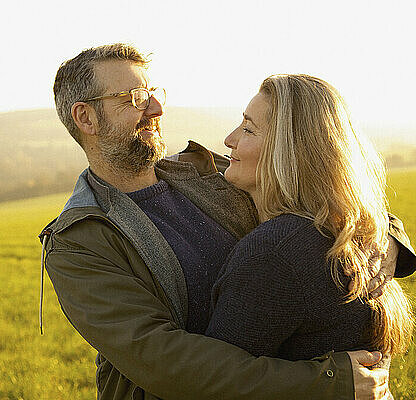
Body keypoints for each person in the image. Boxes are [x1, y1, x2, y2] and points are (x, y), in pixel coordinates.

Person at [38, 44, 416, 400]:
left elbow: (321, 189)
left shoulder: (212, 172)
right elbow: (165, 362)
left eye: (154, 93)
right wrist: (325, 382)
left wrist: (388, 238)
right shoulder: (79, 240)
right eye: (134, 99)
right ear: (85, 117)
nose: (156, 107)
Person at [205, 75, 413, 389]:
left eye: (248, 128)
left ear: (285, 152)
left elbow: (215, 385)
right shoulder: (351, 230)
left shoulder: (274, 252)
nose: (229, 139)